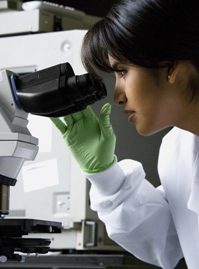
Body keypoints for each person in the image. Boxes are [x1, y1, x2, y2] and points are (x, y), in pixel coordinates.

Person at [51, 0, 199, 268]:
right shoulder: (176, 151)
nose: (117, 96)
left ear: (171, 65)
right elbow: (167, 241)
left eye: (123, 71)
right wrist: (105, 175)